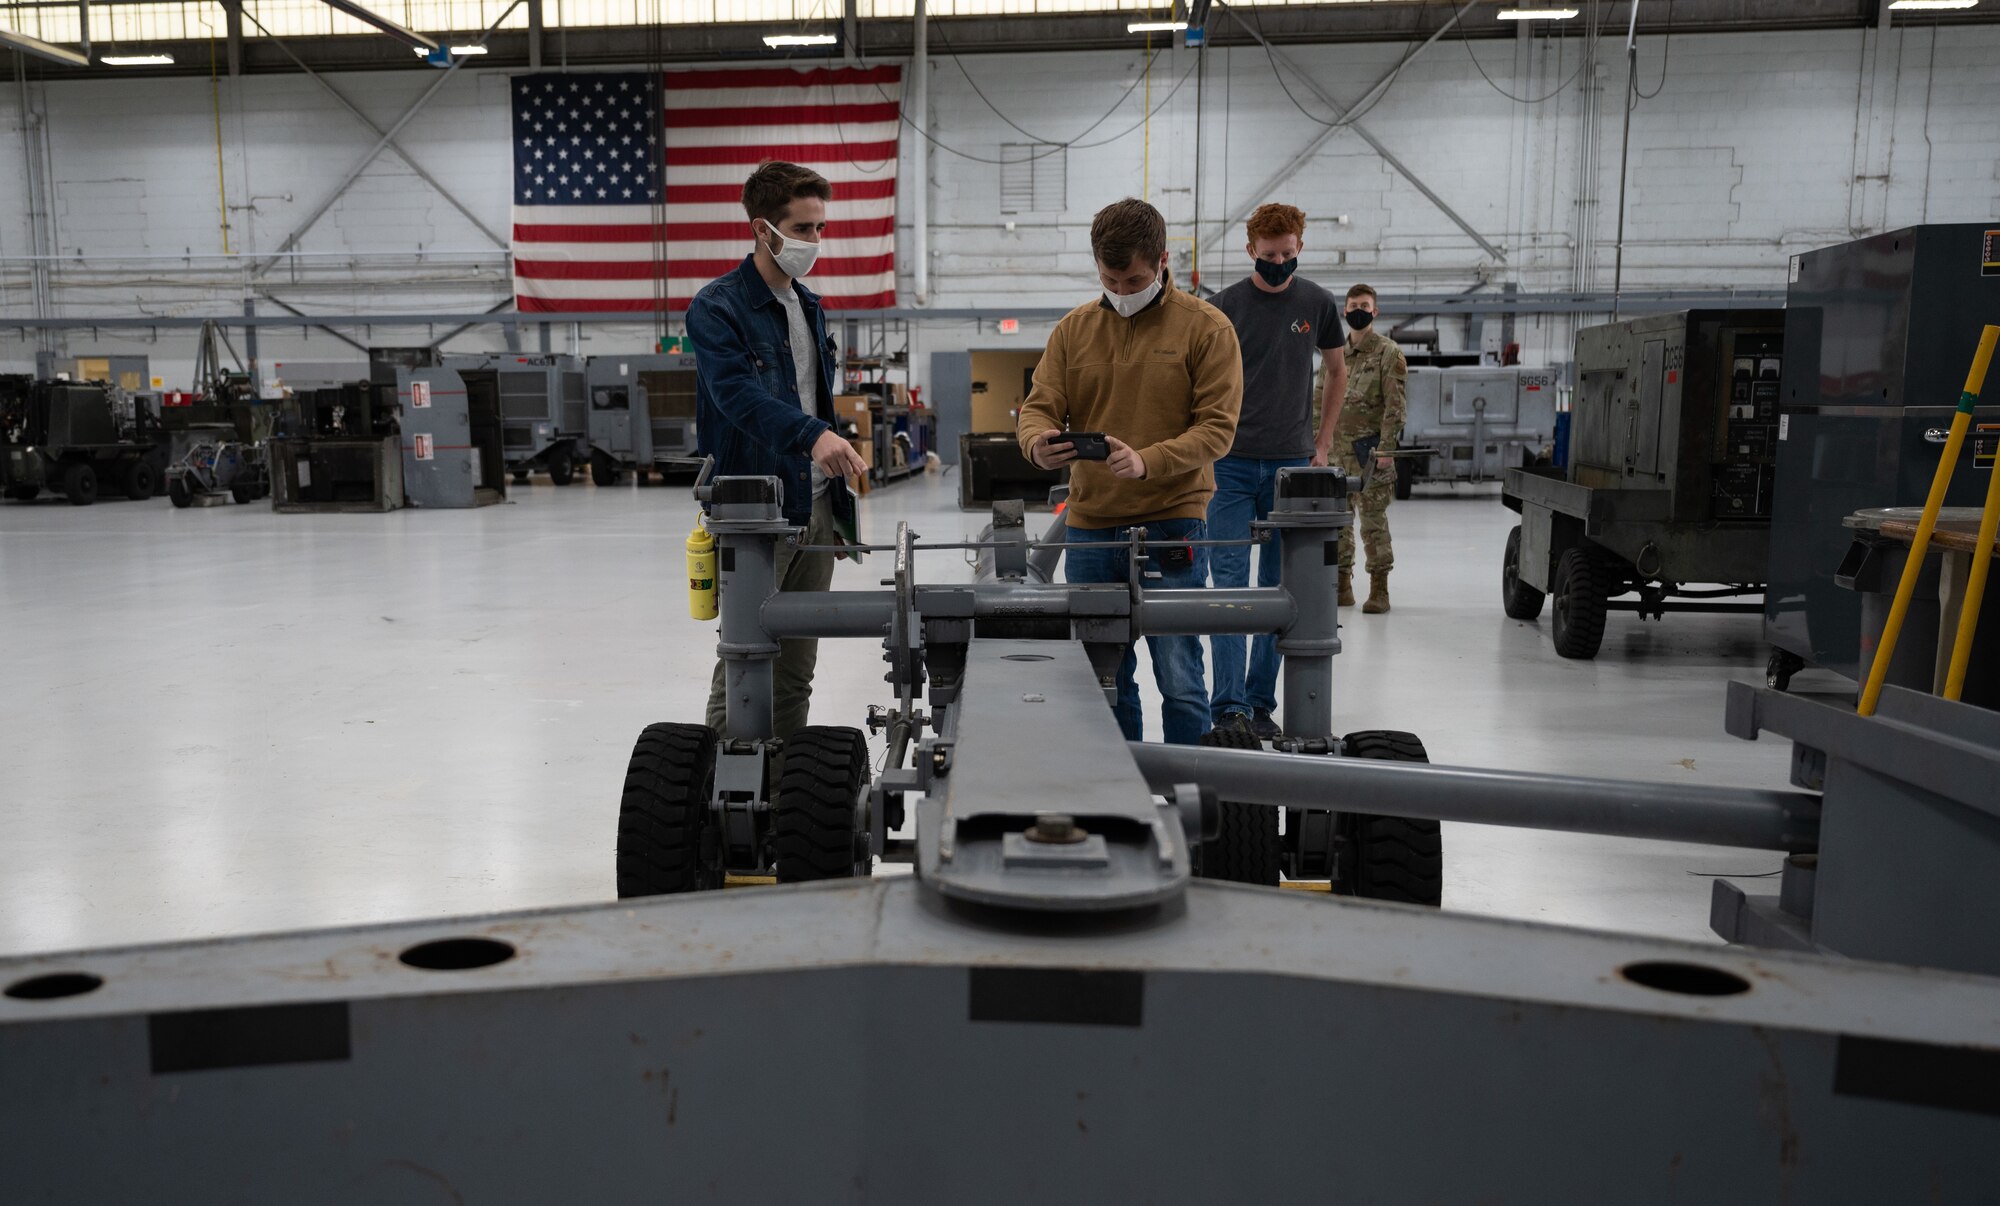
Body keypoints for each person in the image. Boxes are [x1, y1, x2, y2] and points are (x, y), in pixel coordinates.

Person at [1017, 197, 1243, 745]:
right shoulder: (1073, 331)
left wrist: (1149, 462)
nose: (1121, 292)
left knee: (1181, 675)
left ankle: (1189, 794)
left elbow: (1218, 429)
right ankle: (1117, 789)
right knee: (1103, 678)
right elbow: (1039, 406)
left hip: (1171, 525)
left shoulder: (1207, 329)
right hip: (1091, 528)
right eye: (1109, 280)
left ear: (1163, 260)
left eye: (1133, 279)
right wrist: (1036, 445)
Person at [686, 160, 869, 742]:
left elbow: (817, 402)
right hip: (753, 512)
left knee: (796, 672)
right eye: (804, 228)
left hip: (813, 508)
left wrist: (834, 509)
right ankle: (727, 796)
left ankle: (784, 791)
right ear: (763, 230)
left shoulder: (810, 307)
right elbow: (737, 396)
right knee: (745, 660)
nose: (815, 241)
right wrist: (812, 437)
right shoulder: (718, 307)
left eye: (820, 228)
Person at [1203, 203, 1349, 740]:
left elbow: (1337, 371)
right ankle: (1229, 706)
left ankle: (1259, 702)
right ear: (1249, 252)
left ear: (1300, 248)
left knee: (1277, 587)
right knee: (1228, 587)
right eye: (1269, 256)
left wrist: (1323, 443)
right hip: (1231, 465)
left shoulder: (1317, 303)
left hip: (1291, 465)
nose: (1279, 263)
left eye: (1288, 254)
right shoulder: (1222, 308)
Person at [1332, 283, 1407, 614]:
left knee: (1373, 522)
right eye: (1352, 305)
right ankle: (1342, 585)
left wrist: (1387, 448)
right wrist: (1316, 445)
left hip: (1371, 455)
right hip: (1336, 454)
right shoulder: (1336, 354)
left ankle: (1380, 588)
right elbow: (1320, 401)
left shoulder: (1388, 353)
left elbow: (1396, 405)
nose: (1357, 310)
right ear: (1344, 311)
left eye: (1364, 305)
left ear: (1374, 312)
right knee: (1337, 522)